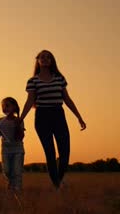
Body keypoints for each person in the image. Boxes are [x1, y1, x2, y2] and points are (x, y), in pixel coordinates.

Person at [19, 50, 86, 189]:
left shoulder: (59, 78)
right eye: (42, 57)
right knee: (50, 153)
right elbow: (29, 101)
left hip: (58, 115)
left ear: (52, 61)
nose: (45, 59)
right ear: (37, 60)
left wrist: (79, 117)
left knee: (65, 153)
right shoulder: (33, 81)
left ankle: (58, 180)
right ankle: (57, 186)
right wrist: (20, 119)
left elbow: (67, 99)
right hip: (42, 116)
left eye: (48, 57)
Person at [0, 97, 25, 192]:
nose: (5, 108)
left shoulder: (19, 120)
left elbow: (21, 137)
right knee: (7, 170)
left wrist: (17, 125)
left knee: (17, 171)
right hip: (5, 150)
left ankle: (17, 189)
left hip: (18, 150)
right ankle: (10, 185)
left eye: (7, 106)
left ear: (14, 107)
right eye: (3, 106)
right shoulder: (0, 121)